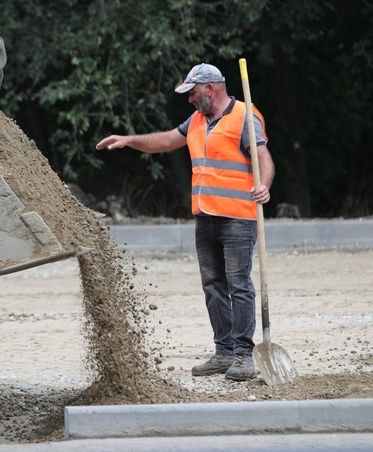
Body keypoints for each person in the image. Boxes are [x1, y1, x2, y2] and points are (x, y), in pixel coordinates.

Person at [96, 63, 274, 381]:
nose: (190, 99)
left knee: (239, 287)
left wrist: (265, 186)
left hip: (237, 217)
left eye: (192, 93)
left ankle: (244, 356)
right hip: (205, 217)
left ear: (210, 89)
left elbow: (263, 158)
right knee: (213, 287)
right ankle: (224, 353)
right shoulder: (197, 120)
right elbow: (166, 141)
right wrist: (129, 140)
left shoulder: (245, 117)